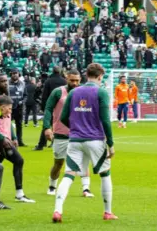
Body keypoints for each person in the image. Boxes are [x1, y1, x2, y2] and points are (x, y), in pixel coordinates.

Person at [52, 63, 116, 223]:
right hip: (95, 140)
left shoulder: (74, 92)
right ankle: (107, 212)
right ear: (100, 76)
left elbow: (64, 117)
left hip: (74, 140)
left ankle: (57, 211)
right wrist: (111, 143)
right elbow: (106, 120)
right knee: (105, 174)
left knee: (68, 175)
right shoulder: (101, 92)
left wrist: (75, 128)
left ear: (86, 75)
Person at [0, 72, 35, 203]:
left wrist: (14, 136)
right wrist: (1, 137)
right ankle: (19, 194)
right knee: (18, 161)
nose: (6, 83)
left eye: (6, 81)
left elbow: (8, 120)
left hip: (6, 138)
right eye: (3, 81)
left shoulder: (4, 98)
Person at [43, 69, 93, 198]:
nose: (75, 83)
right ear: (66, 79)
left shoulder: (83, 92)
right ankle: (52, 186)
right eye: (72, 80)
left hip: (80, 134)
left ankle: (86, 189)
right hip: (61, 133)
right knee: (58, 162)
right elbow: (48, 109)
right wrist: (47, 128)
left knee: (83, 161)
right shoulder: (58, 92)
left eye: (77, 80)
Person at [34, 66, 67, 151]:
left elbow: (44, 95)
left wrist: (43, 107)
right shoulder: (64, 81)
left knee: (46, 125)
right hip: (61, 106)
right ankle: (54, 143)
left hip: (51, 106)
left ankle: (41, 145)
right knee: (58, 126)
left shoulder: (48, 81)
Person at [8, 69, 27, 144]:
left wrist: (23, 101)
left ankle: (20, 141)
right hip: (9, 108)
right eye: (13, 73)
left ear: (19, 74)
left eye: (16, 73)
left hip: (19, 107)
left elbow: (25, 95)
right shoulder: (7, 83)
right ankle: (9, 140)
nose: (15, 75)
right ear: (11, 74)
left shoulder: (22, 84)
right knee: (7, 124)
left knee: (19, 125)